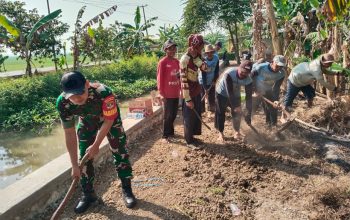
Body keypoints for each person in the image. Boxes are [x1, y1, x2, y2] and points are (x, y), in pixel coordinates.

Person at [56, 71, 136, 214]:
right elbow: (69, 134)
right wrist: (74, 165)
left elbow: (109, 120)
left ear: (87, 84)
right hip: (87, 121)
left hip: (109, 120)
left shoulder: (104, 92)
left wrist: (97, 144)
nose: (77, 98)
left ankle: (126, 189)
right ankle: (88, 194)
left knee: (120, 150)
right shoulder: (63, 103)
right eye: (72, 96)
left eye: (80, 93)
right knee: (84, 157)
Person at [179, 34, 207, 148]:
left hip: (196, 89)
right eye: (201, 46)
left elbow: (205, 68)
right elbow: (183, 81)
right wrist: (187, 99)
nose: (202, 48)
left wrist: (196, 58)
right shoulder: (184, 60)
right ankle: (189, 141)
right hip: (188, 92)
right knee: (189, 117)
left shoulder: (198, 56)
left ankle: (193, 137)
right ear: (195, 45)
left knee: (195, 116)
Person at [215, 60, 253, 141]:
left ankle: (236, 132)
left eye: (246, 73)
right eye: (242, 72)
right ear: (239, 68)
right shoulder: (229, 74)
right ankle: (220, 133)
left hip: (236, 93)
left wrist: (248, 114)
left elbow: (249, 98)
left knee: (236, 114)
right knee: (221, 112)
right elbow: (229, 92)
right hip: (222, 93)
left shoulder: (249, 80)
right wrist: (236, 106)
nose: (244, 74)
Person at [251, 55, 286, 127]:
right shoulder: (260, 67)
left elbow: (276, 87)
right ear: (272, 62)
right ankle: (246, 123)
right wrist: (254, 90)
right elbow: (251, 78)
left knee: (273, 107)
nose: (279, 68)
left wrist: (276, 100)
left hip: (268, 89)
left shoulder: (282, 73)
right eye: (277, 65)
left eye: (281, 66)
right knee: (253, 107)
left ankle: (272, 126)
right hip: (257, 89)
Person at [157, 39, 181, 142]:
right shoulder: (162, 62)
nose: (172, 51)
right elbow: (159, 78)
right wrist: (161, 94)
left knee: (174, 114)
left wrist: (181, 90)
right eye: (170, 49)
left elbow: (180, 77)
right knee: (167, 115)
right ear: (166, 50)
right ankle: (165, 136)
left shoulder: (177, 62)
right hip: (167, 94)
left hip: (175, 93)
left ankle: (171, 132)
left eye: (174, 48)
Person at [198, 44, 219, 113]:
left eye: (211, 52)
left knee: (211, 95)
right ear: (206, 53)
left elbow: (216, 70)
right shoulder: (203, 60)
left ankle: (211, 107)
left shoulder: (216, 58)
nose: (209, 54)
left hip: (212, 80)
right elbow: (203, 74)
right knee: (202, 95)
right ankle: (201, 110)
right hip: (202, 80)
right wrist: (205, 87)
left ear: (213, 52)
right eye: (208, 52)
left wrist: (214, 80)